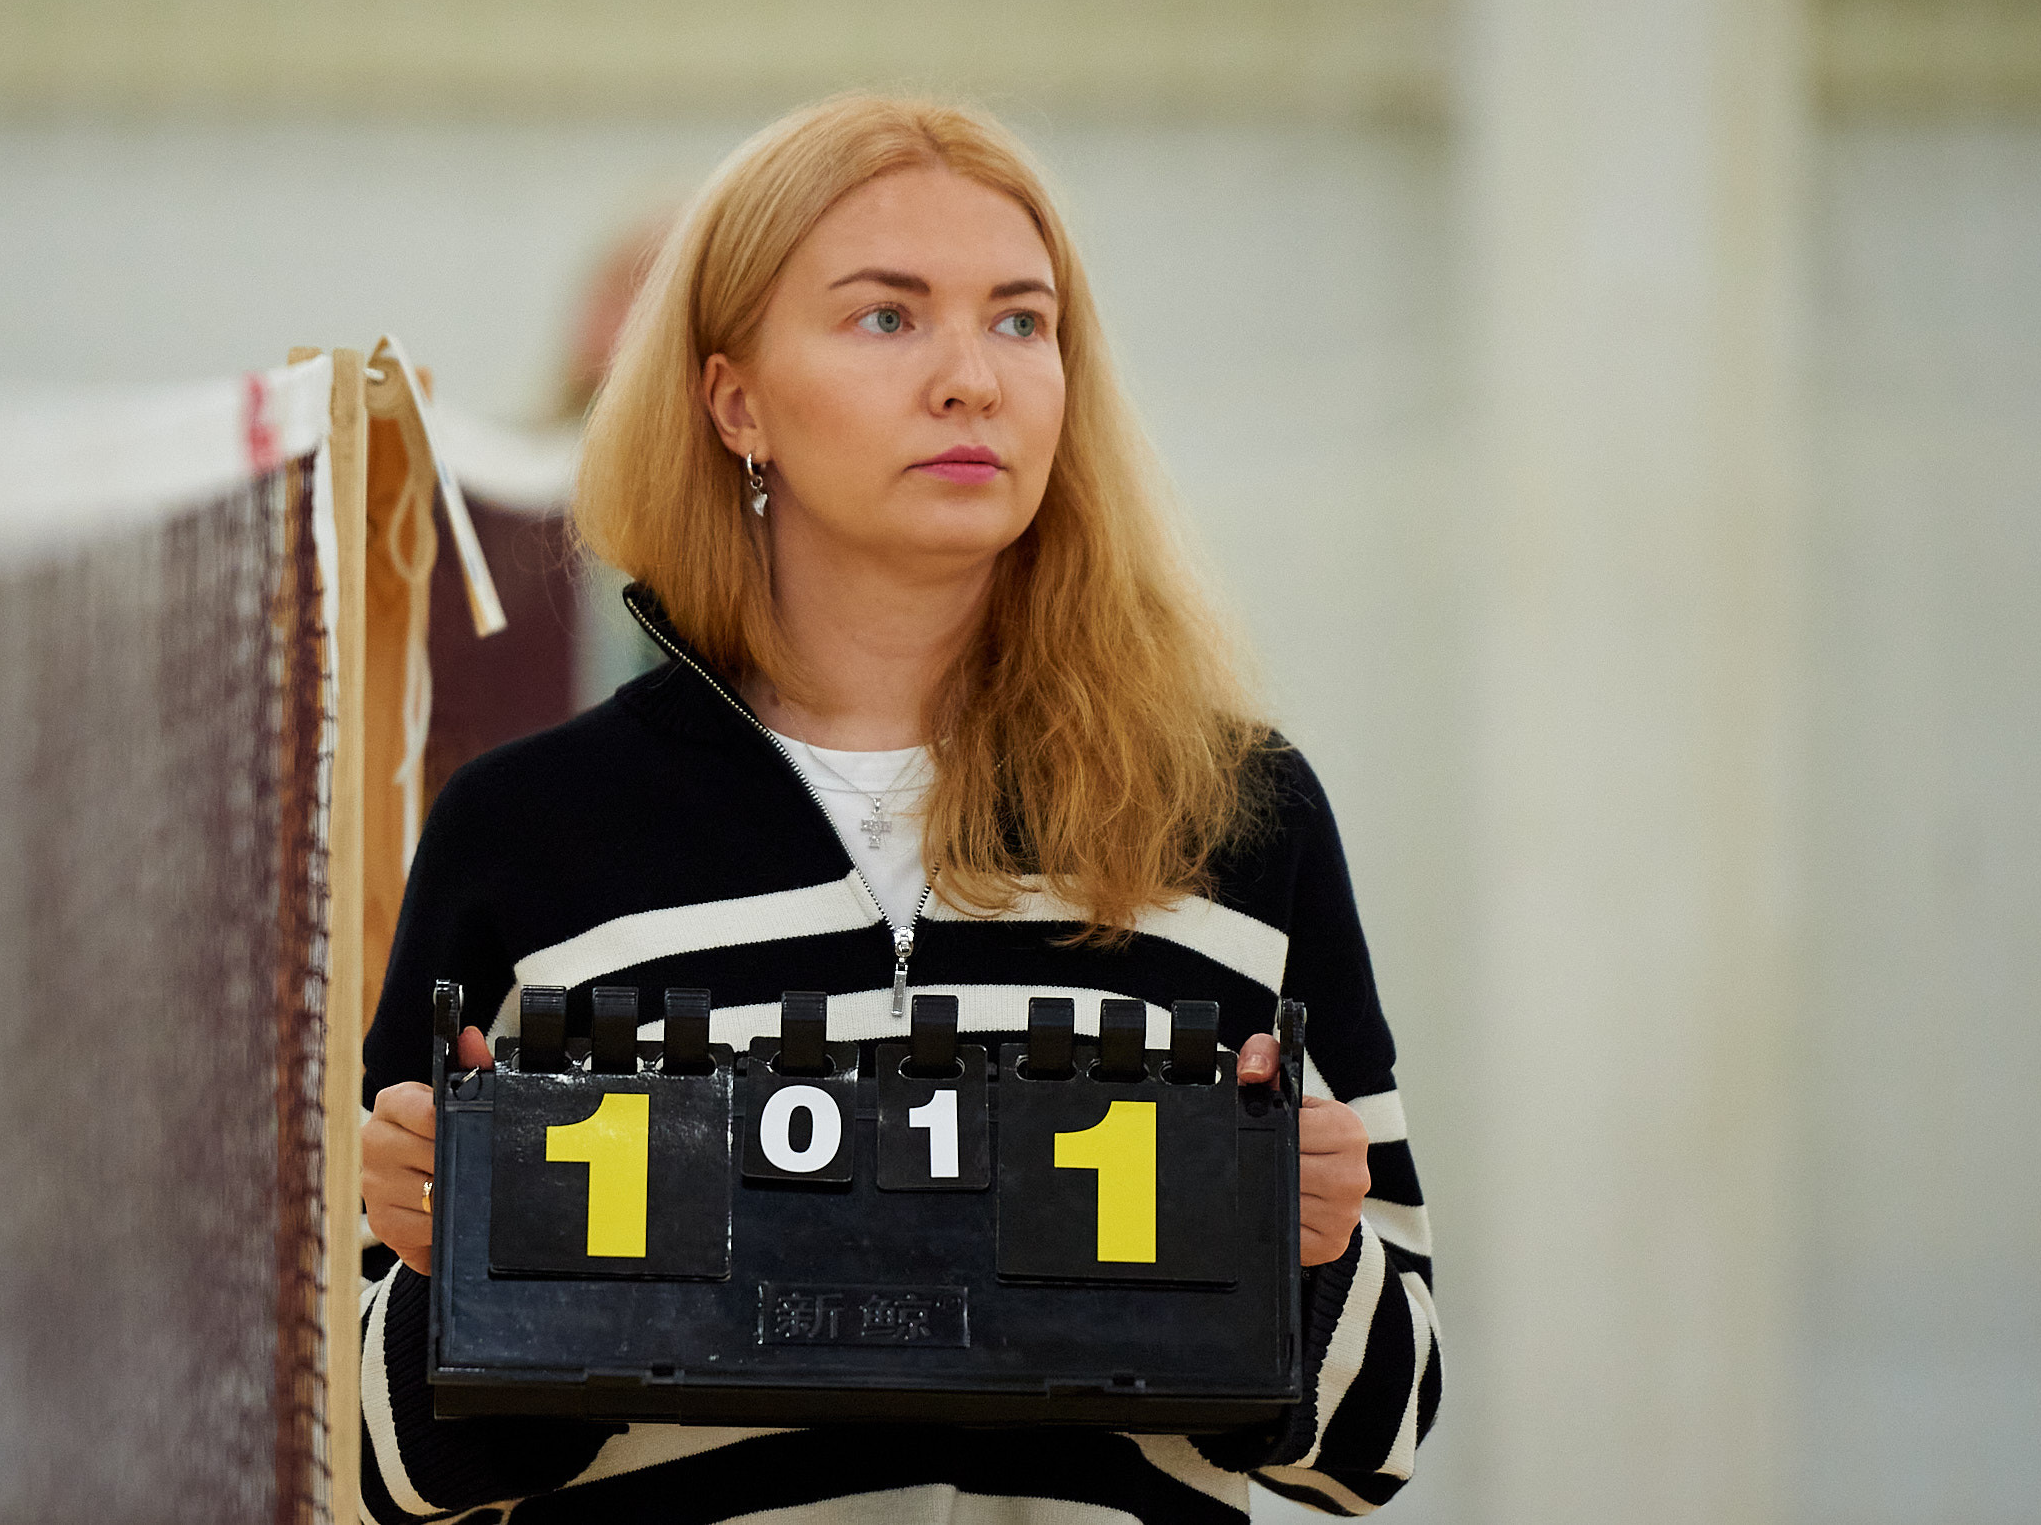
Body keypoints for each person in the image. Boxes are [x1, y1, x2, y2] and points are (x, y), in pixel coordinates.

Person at [355, 94, 1441, 1523]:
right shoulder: (527, 837)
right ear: (735, 399)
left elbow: (1383, 1437)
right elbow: (388, 1473)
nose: (971, 379)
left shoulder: (1237, 816)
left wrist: (1308, 1260)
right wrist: (457, 1266)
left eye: (1019, 321)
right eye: (887, 318)